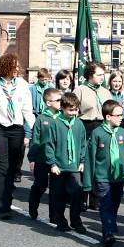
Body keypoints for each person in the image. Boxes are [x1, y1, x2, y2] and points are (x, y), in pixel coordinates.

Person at [84, 100, 124, 247]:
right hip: (102, 177)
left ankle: (111, 222)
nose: (121, 118)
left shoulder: (123, 133)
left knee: (115, 203)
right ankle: (107, 233)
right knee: (105, 203)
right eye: (117, 115)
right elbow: (90, 158)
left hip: (118, 176)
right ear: (108, 117)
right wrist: (87, 182)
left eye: (122, 115)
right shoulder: (97, 133)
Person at [0, 53, 35, 219]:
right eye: (15, 66)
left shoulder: (23, 85)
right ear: (6, 67)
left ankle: (7, 195)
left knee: (13, 166)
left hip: (17, 129)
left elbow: (27, 110)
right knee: (2, 166)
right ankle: (4, 204)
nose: (18, 69)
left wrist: (36, 130)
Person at [45, 92, 87, 233]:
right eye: (70, 109)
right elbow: (49, 144)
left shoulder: (79, 124)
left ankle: (76, 220)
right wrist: (52, 163)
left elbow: (83, 144)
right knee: (59, 195)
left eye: (75, 110)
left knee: (76, 192)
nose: (73, 113)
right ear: (62, 108)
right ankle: (60, 220)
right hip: (59, 166)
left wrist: (82, 160)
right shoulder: (55, 123)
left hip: (74, 165)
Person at [73, 61, 111, 211]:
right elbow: (74, 111)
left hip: (101, 127)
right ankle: (82, 196)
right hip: (85, 126)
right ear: (90, 75)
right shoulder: (80, 90)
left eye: (103, 75)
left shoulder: (105, 92)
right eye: (99, 75)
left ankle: (95, 199)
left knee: (98, 163)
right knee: (84, 162)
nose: (102, 77)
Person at [27, 88, 61, 222]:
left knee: (56, 188)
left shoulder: (62, 117)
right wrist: (32, 158)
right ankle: (32, 207)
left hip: (57, 159)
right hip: (41, 158)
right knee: (40, 185)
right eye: (57, 100)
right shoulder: (41, 119)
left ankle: (54, 215)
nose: (60, 102)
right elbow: (35, 140)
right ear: (48, 103)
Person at [107, 71, 124, 138]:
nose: (117, 84)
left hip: (121, 129)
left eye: (119, 81)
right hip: (109, 129)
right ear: (110, 82)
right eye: (114, 81)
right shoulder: (106, 95)